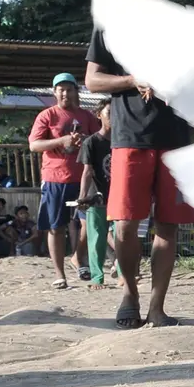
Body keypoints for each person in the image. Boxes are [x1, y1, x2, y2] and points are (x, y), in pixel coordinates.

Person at [85, 0, 194, 329]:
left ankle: (158, 307)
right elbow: (93, 80)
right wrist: (133, 80)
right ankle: (129, 293)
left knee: (168, 226)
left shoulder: (184, 25)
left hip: (175, 139)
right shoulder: (111, 27)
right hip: (129, 137)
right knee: (125, 225)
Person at [28, 72, 100, 289]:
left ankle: (78, 256)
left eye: (69, 89)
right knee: (55, 227)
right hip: (54, 177)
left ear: (76, 91)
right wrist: (61, 140)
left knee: (91, 222)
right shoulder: (47, 116)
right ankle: (59, 274)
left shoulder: (87, 116)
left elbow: (99, 140)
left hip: (83, 178)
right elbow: (34, 145)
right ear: (54, 92)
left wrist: (85, 140)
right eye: (61, 89)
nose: (65, 93)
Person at [77, 102, 113, 290]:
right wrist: (83, 198)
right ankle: (97, 277)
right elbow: (87, 171)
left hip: (117, 196)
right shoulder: (91, 142)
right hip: (96, 196)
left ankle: (124, 273)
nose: (113, 116)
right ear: (99, 114)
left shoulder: (122, 141)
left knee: (121, 235)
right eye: (109, 112)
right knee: (97, 237)